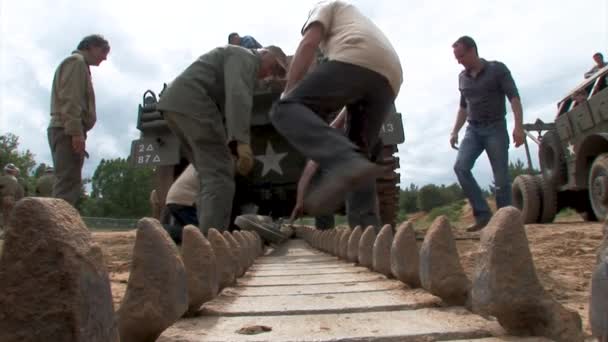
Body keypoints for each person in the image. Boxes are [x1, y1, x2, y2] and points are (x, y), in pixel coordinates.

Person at [270, 0, 402, 230]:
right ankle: (366, 234)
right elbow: (357, 89)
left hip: (356, 56)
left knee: (283, 110)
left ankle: (347, 164)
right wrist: (337, 125)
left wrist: (287, 92)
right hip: (391, 76)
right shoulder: (355, 19)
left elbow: (308, 43)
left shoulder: (324, 6)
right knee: (360, 157)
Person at [156, 44, 288, 233]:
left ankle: (203, 237)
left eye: (276, 73)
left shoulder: (234, 56)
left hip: (177, 104)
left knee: (208, 174)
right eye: (273, 67)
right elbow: (238, 95)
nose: (270, 74)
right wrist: (241, 141)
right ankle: (213, 241)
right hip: (195, 102)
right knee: (220, 173)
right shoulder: (245, 57)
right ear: (264, 53)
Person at [449, 36, 525, 232]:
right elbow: (463, 107)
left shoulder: (497, 69)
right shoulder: (462, 78)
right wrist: (455, 131)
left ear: (473, 50)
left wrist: (519, 127)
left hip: (495, 128)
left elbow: (514, 97)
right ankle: (483, 215)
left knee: (501, 179)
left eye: (461, 56)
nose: (459, 61)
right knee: (460, 167)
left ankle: (505, 222)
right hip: (473, 130)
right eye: (456, 58)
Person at [48, 34, 110, 206]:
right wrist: (76, 133)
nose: (105, 57)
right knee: (68, 183)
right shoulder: (76, 63)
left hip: (67, 128)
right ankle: (58, 229)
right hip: (67, 129)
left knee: (69, 181)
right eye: (104, 51)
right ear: (91, 47)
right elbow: (71, 100)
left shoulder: (79, 64)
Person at [0, 164, 24, 231]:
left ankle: (4, 231)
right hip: (13, 199)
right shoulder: (16, 180)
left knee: (4, 216)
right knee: (10, 216)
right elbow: (19, 192)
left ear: (5, 170)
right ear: (13, 171)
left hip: (3, 199)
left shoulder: (2, 179)